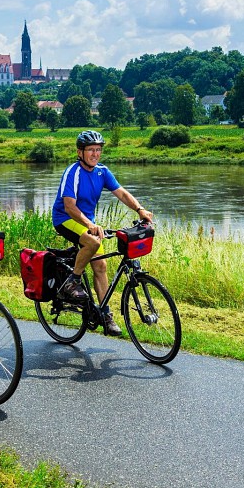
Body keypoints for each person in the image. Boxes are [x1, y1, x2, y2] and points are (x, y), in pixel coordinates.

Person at [52, 130, 153, 336]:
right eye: (91, 150)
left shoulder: (102, 172)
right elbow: (69, 206)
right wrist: (90, 224)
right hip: (66, 219)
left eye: (98, 150)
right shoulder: (73, 172)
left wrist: (140, 209)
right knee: (93, 243)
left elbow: (122, 193)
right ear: (80, 152)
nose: (95, 154)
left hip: (87, 223)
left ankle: (105, 315)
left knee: (101, 265)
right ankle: (72, 281)